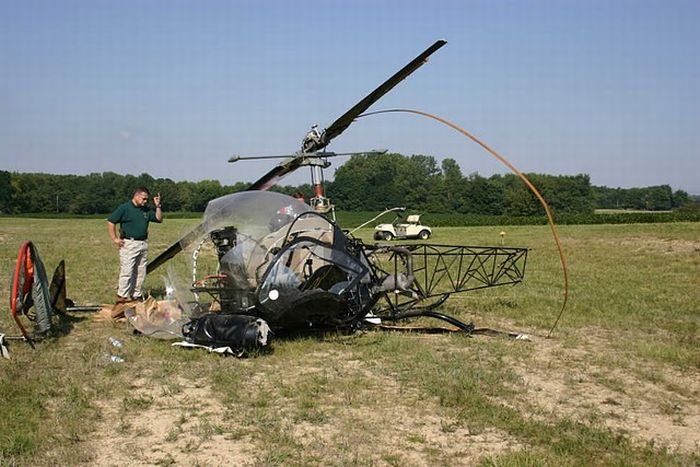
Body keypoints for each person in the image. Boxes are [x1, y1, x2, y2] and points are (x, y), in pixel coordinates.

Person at [107, 186, 163, 303]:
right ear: (136, 196)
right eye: (143, 199)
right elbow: (111, 221)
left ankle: (136, 295)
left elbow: (159, 219)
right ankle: (122, 297)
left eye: (147, 199)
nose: (145, 201)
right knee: (127, 271)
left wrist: (157, 206)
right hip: (129, 243)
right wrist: (115, 239)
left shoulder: (145, 210)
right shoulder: (124, 208)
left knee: (141, 271)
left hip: (143, 243)